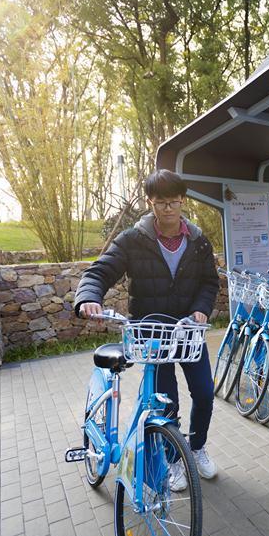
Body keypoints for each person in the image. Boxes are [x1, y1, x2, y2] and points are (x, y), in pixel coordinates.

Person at [74, 169, 220, 490]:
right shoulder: (132, 240)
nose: (168, 209)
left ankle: (196, 449)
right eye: (160, 202)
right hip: (152, 333)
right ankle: (173, 459)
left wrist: (201, 308)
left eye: (173, 201)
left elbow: (209, 282)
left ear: (183, 201)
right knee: (166, 401)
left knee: (204, 393)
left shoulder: (197, 241)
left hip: (188, 332)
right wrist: (88, 297)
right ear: (150, 202)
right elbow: (99, 272)